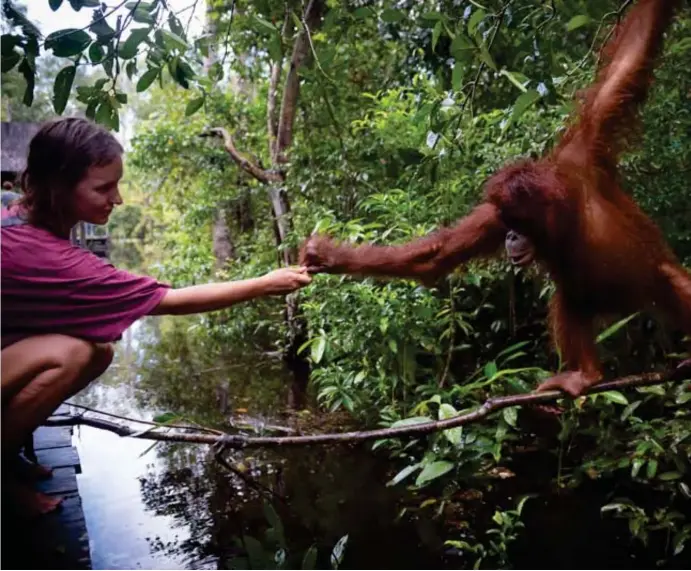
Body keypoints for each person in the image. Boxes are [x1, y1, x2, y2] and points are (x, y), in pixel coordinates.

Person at [1, 117, 312, 517]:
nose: (118, 199)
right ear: (59, 188)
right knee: (77, 354)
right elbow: (169, 300)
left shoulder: (18, 213)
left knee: (96, 350)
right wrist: (265, 283)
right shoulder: (46, 254)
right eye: (103, 188)